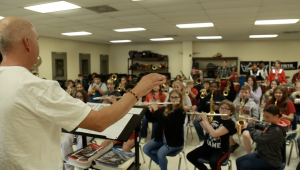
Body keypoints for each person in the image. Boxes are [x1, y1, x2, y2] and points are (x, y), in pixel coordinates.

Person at [0, 15, 166, 170]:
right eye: (37, 40)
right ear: (27, 43)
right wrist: (138, 90)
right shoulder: (36, 87)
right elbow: (99, 122)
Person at [236, 104, 289, 170]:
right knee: (238, 160)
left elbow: (257, 139)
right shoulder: (274, 124)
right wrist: (253, 124)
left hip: (271, 160)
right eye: (264, 116)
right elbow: (264, 127)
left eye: (267, 117)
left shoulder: (276, 130)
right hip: (262, 154)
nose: (265, 119)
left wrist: (251, 125)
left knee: (244, 165)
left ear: (276, 116)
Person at [143, 90, 186, 170]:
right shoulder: (164, 109)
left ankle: (163, 167)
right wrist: (146, 109)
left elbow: (167, 123)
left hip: (174, 141)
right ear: (169, 98)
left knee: (160, 153)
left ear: (180, 99)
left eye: (176, 97)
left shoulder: (181, 112)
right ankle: (160, 163)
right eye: (172, 97)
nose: (174, 99)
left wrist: (156, 110)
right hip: (161, 139)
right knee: (145, 149)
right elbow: (152, 119)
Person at [187, 100, 236, 170]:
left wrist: (206, 120)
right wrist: (200, 120)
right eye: (221, 108)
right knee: (190, 156)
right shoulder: (216, 117)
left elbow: (214, 134)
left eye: (225, 108)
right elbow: (208, 131)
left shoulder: (230, 123)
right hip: (207, 146)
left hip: (220, 150)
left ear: (231, 112)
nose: (222, 110)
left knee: (213, 163)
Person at [61, 90, 93, 170]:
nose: (79, 99)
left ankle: (80, 167)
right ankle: (69, 167)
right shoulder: (73, 106)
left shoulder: (89, 107)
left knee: (81, 143)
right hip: (74, 128)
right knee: (65, 142)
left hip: (87, 129)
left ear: (85, 98)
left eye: (81, 97)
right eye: (77, 97)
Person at [193, 81, 226, 146]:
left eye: (215, 87)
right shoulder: (205, 98)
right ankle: (202, 139)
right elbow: (201, 109)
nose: (213, 88)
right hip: (207, 116)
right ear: (209, 87)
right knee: (196, 121)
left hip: (218, 117)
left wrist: (219, 108)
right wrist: (204, 115)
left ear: (218, 88)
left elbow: (227, 109)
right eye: (211, 87)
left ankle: (217, 139)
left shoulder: (222, 98)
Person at [230, 85, 259, 153]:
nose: (244, 94)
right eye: (242, 92)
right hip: (236, 122)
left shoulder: (253, 103)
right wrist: (235, 122)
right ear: (240, 92)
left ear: (249, 93)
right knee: (226, 130)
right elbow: (232, 114)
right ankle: (234, 145)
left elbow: (255, 117)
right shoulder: (235, 101)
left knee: (245, 135)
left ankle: (249, 152)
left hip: (247, 124)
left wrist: (247, 123)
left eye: (246, 92)